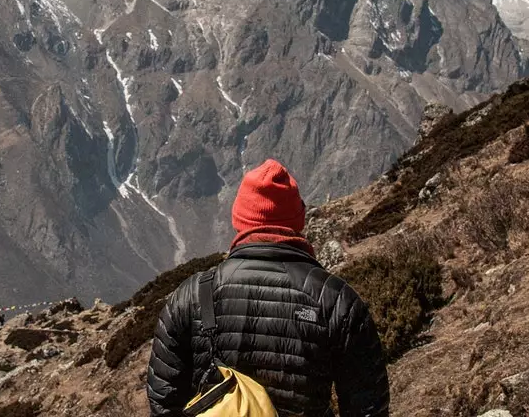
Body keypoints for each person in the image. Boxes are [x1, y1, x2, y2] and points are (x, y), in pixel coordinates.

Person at [147, 159, 390, 416]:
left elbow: (164, 401)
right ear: (298, 221)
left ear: (239, 219)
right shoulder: (337, 301)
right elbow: (368, 408)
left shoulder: (192, 295)